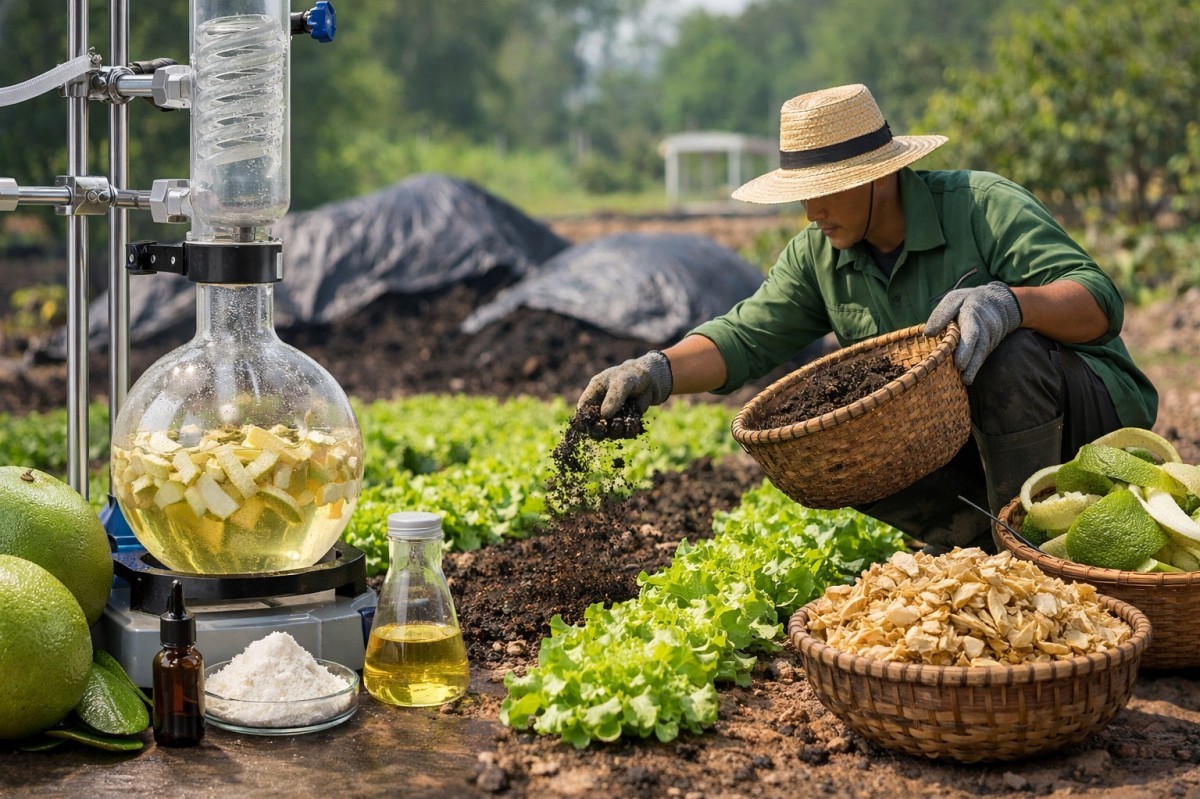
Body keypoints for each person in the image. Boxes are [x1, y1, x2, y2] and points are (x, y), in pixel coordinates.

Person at [577, 83, 1157, 553]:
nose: (812, 210)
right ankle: (975, 541)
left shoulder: (982, 205)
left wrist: (1012, 302)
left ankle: (1024, 547)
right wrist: (655, 372)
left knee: (1007, 350)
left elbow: (1099, 301)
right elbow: (745, 335)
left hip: (1089, 428)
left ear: (878, 174)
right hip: (966, 437)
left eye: (826, 190)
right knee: (837, 428)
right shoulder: (818, 254)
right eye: (803, 193)